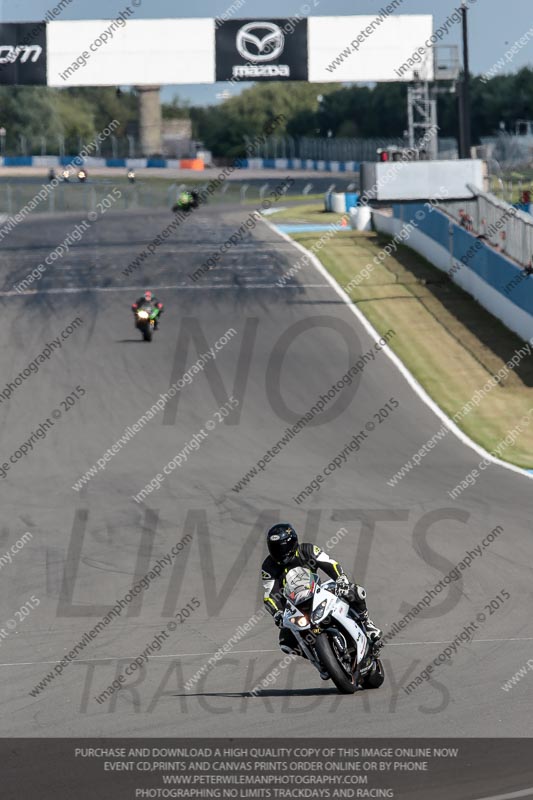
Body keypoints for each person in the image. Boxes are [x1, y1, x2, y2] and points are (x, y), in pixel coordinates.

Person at [261, 523, 382, 674]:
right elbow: (270, 594)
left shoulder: (307, 550)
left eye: (281, 548)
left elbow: (329, 564)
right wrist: (277, 613)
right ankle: (319, 659)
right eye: (274, 548)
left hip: (318, 590)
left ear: (292, 543)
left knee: (355, 591)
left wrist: (341, 580)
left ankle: (367, 623)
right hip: (294, 607)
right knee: (285, 641)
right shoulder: (268, 566)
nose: (278, 552)